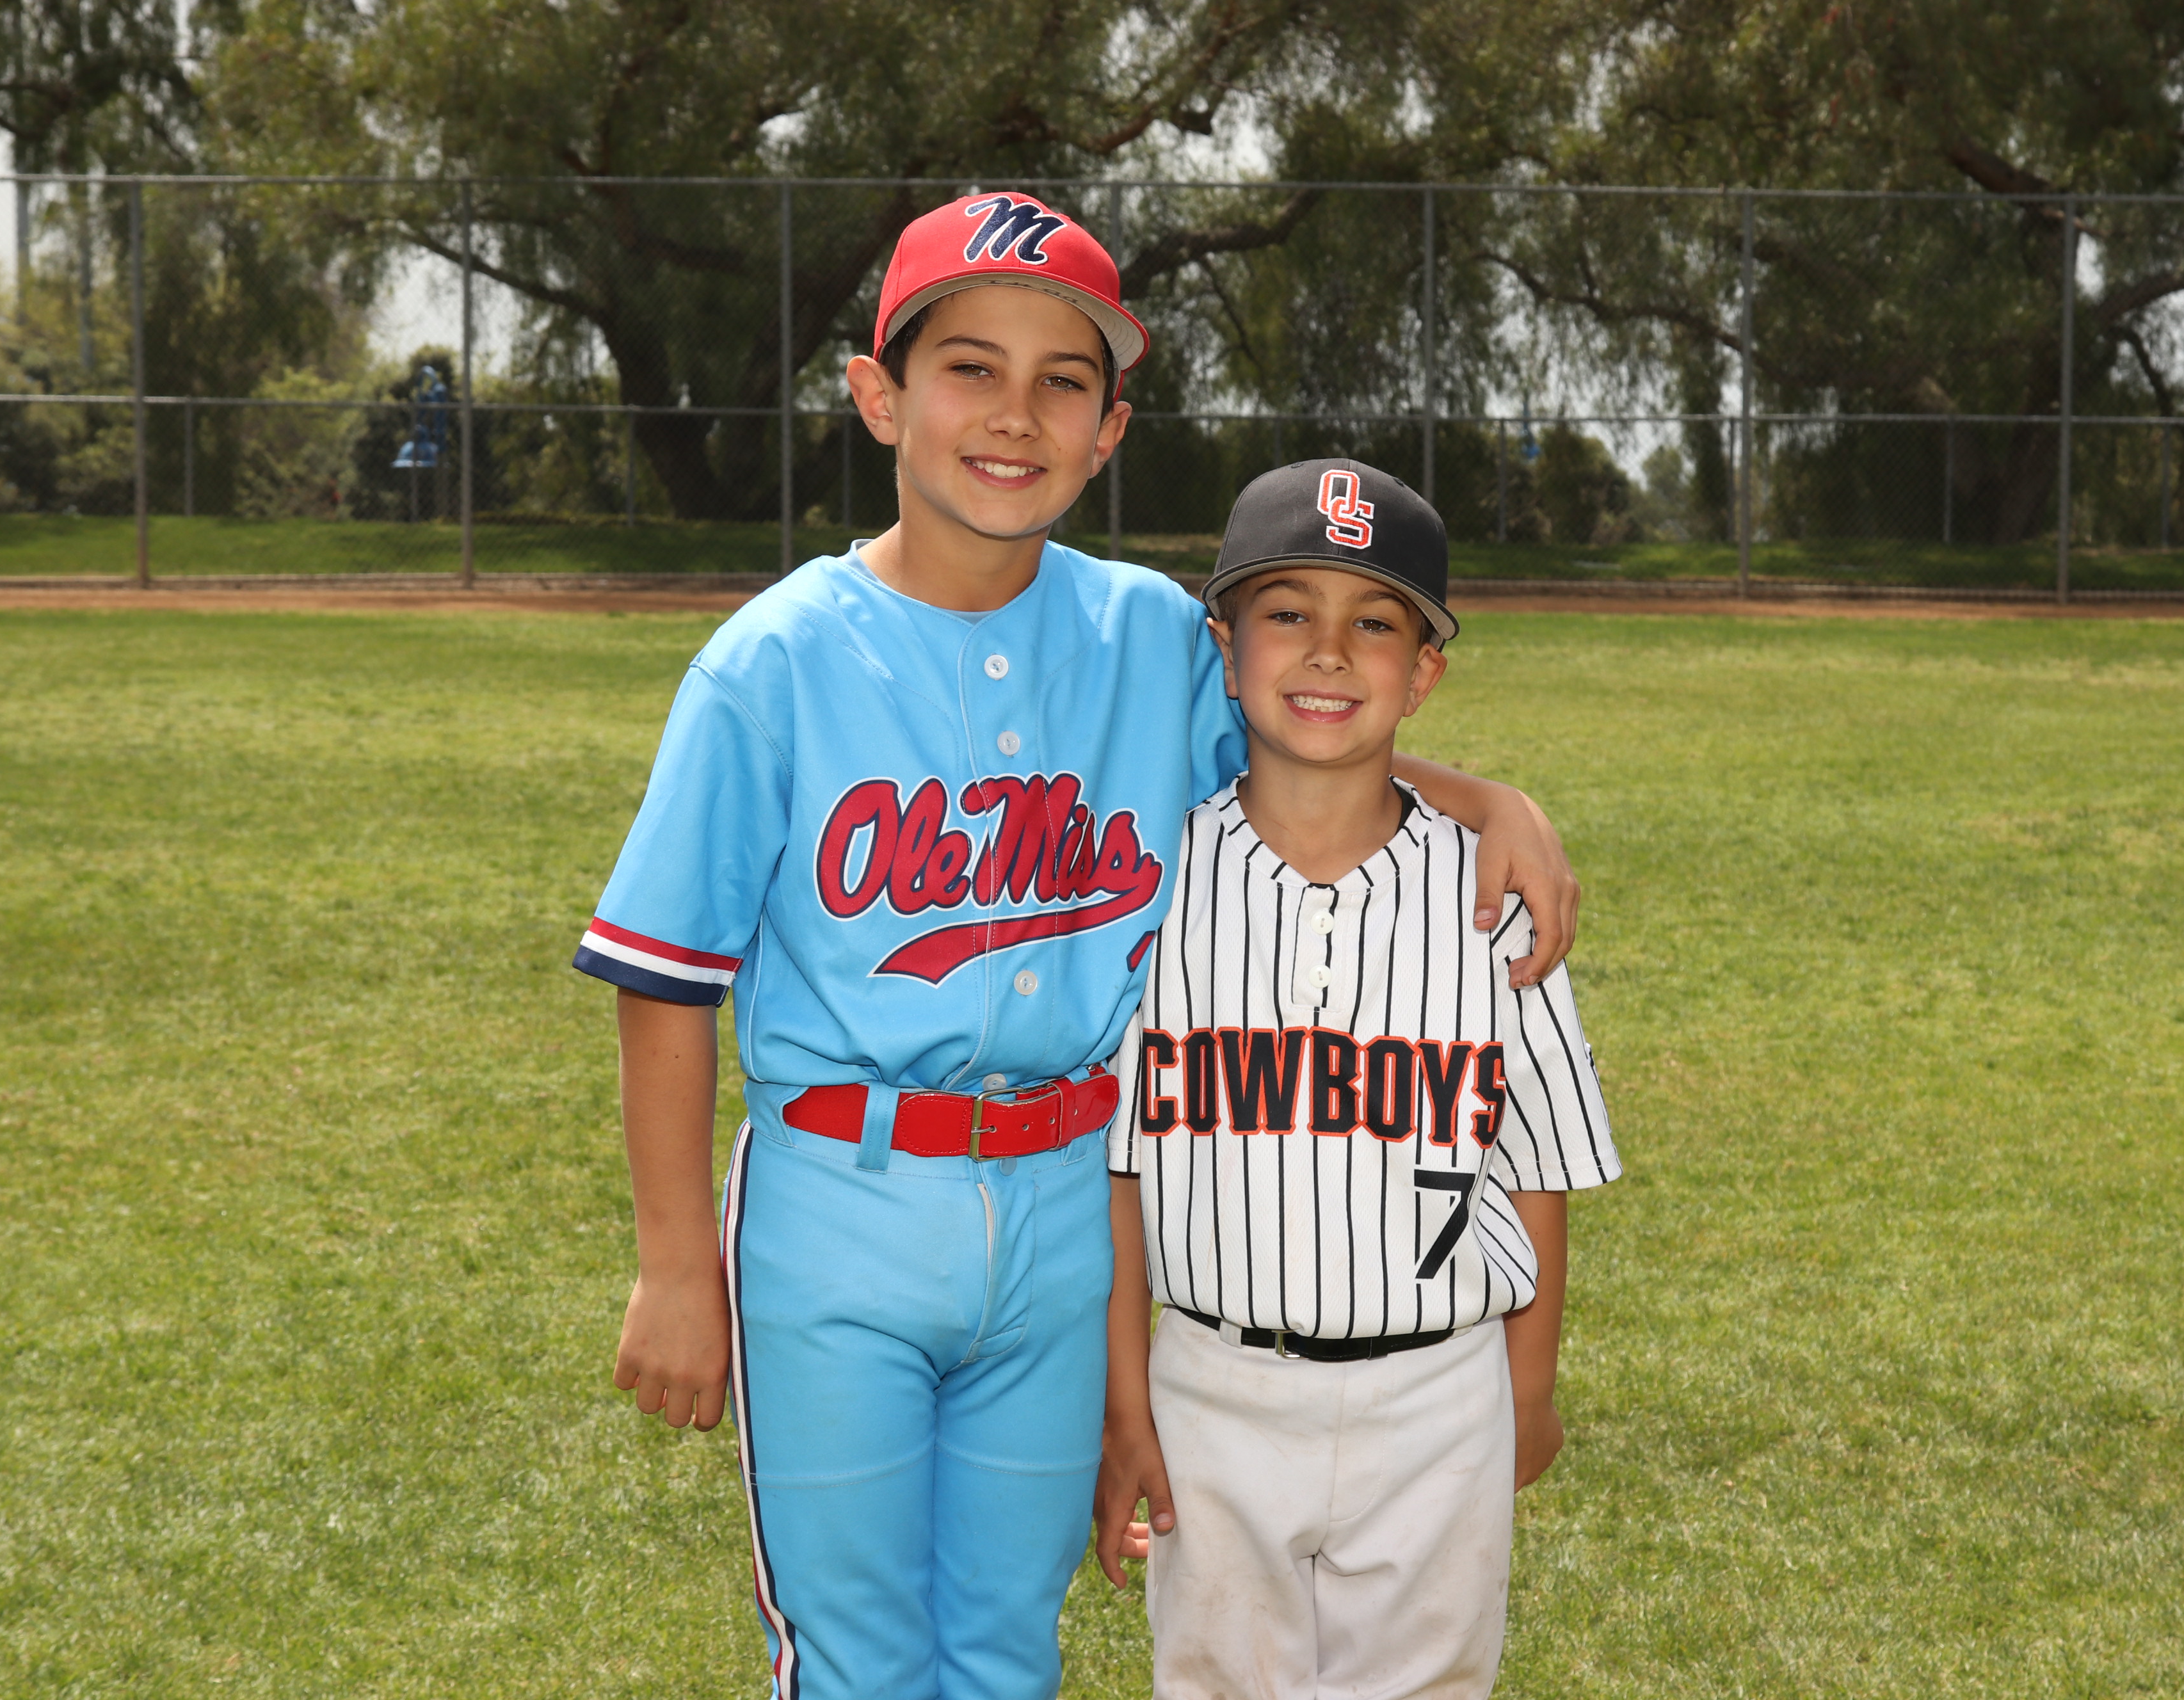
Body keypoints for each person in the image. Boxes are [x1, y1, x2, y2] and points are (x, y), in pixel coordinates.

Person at [572, 196, 1583, 1700]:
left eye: (1063, 382)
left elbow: (1308, 748)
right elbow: (668, 976)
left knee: (1004, 1646)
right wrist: (672, 1265)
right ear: (878, 394)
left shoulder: (1149, 636)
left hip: (1064, 1205)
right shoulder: (771, 661)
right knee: (855, 1654)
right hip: (841, 1196)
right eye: (970, 368)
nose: (1014, 414)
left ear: (1108, 430)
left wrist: (1490, 799)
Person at [1094, 460, 1621, 1699]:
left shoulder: (1492, 894)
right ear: (1224, 652)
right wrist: (1124, 1404)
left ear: (1423, 672)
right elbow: (1113, 1173)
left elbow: (1538, 1161)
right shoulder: (1147, 888)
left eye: (1375, 623)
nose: (1329, 652)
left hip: (1441, 1388)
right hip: (1214, 1377)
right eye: (1287, 612)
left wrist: (1528, 1386)